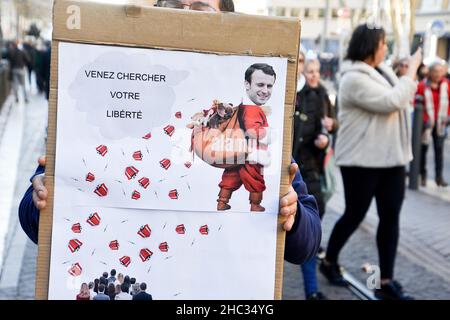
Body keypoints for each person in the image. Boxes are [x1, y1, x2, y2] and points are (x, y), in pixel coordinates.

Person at [18, 0, 321, 271]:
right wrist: (42, 198)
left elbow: (306, 244)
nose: (185, 19)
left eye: (201, 10)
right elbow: (34, 221)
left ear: (229, 25)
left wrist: (292, 219)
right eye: (175, 7)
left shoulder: (248, 119)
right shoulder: (113, 104)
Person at [319, 23, 422, 300]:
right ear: (369, 46)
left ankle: (385, 281)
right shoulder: (353, 78)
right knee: (355, 214)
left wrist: (401, 72)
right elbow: (392, 101)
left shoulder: (380, 70)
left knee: (390, 219)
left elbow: (396, 95)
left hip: (391, 159)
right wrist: (411, 72)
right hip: (361, 161)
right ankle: (329, 261)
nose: (386, 48)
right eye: (382, 43)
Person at [293, 58, 338, 300]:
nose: (313, 75)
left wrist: (327, 136)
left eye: (316, 71)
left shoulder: (321, 94)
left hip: (310, 167)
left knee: (311, 225)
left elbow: (331, 125)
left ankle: (311, 290)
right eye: (308, 70)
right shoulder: (294, 91)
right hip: (289, 165)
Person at [217, 63, 275, 212]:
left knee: (230, 177)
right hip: (252, 154)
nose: (265, 90)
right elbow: (253, 130)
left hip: (237, 152)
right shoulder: (252, 109)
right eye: (260, 85)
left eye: (269, 86)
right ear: (247, 84)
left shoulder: (242, 106)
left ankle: (222, 202)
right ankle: (255, 205)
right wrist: (269, 134)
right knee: (255, 180)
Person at [417, 60, 450, 187]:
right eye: (435, 71)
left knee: (439, 151)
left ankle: (439, 177)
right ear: (429, 73)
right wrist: (424, 120)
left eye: (440, 71)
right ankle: (422, 175)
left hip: (441, 122)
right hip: (426, 123)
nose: (438, 74)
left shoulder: (447, 85)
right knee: (422, 150)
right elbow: (417, 104)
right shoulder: (422, 85)